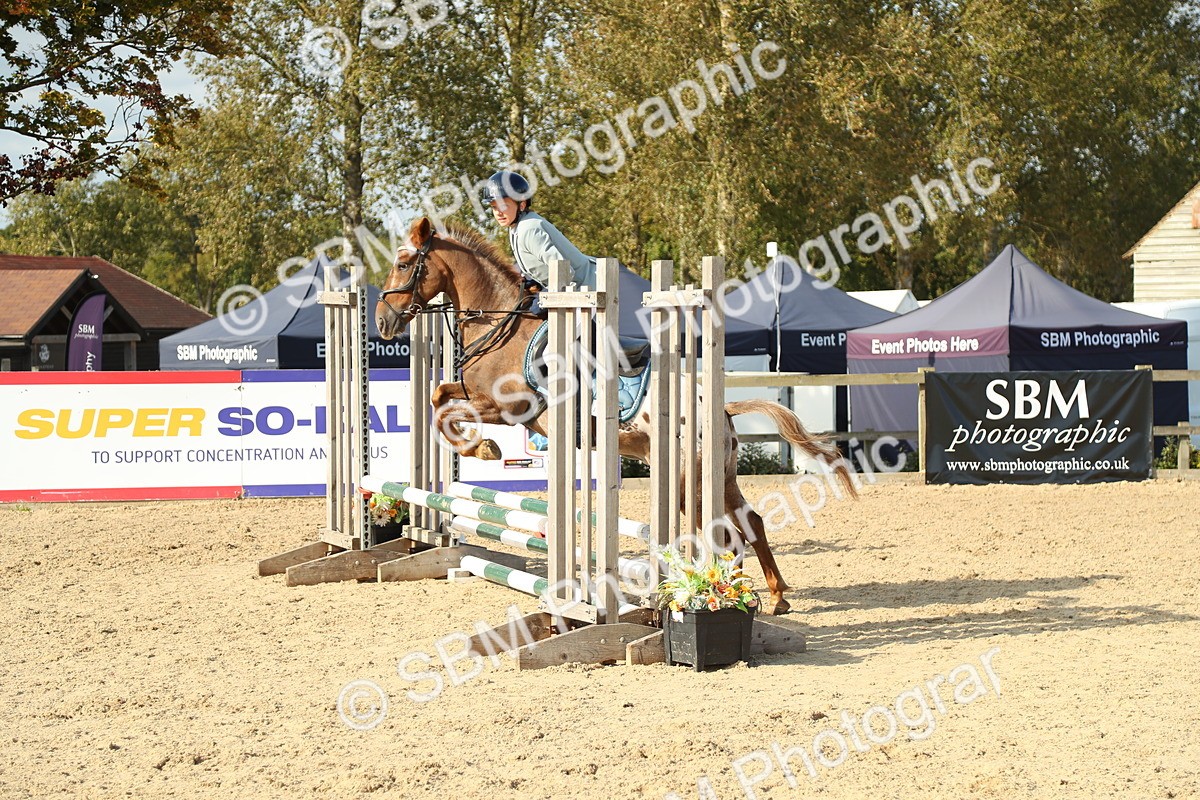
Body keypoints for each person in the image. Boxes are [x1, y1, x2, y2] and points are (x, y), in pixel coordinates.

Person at [480, 171, 596, 302]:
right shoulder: (516, 227)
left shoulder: (528, 228)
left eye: (503, 206)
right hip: (575, 289)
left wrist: (545, 298)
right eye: (494, 207)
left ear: (522, 205)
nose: (498, 213)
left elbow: (564, 271)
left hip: (590, 290)